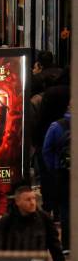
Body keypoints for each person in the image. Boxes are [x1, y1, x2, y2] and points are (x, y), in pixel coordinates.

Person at [0, 185, 66, 261]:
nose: (32, 203)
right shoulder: (6, 222)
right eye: (28, 199)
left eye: (34, 199)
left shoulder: (44, 219)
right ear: (17, 202)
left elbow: (55, 248)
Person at [43, 106, 71, 253]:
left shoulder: (56, 126)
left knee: (65, 208)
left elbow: (46, 150)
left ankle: (67, 245)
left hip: (63, 173)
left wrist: (53, 169)